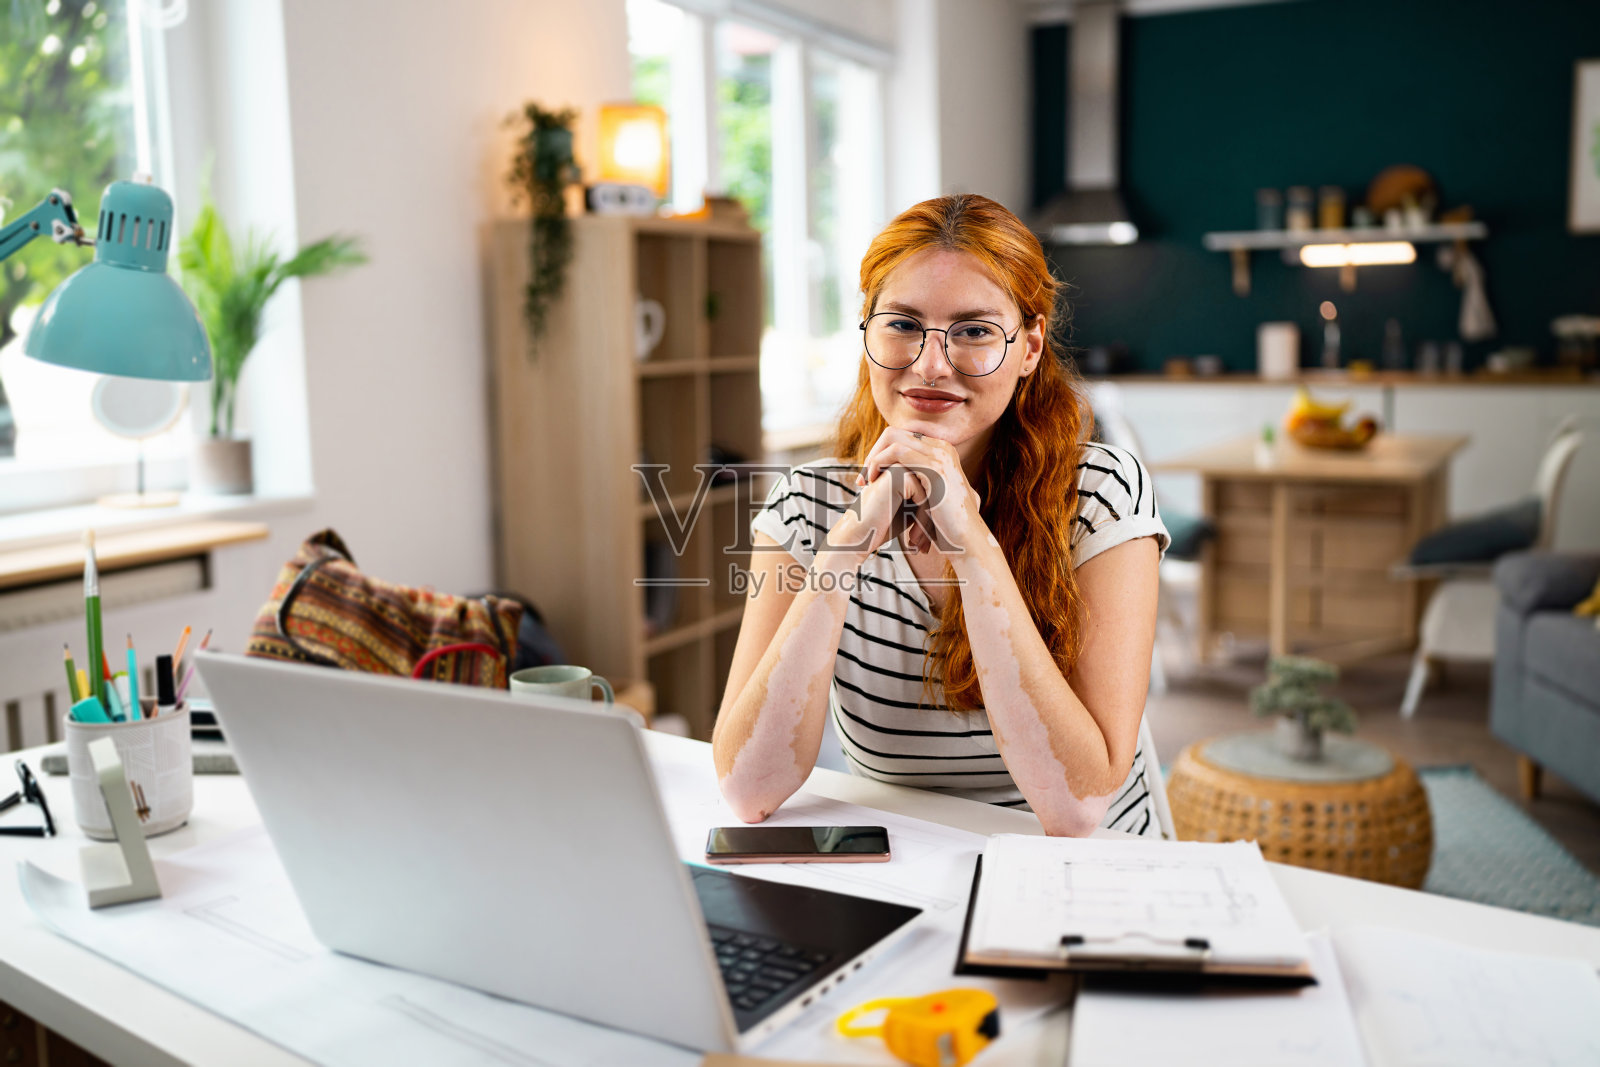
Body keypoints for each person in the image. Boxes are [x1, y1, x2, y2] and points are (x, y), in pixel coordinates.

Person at [712, 194, 1169, 837]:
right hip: (913, 875)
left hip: (1090, 880)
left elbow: (1077, 808)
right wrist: (846, 544)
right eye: (901, 324)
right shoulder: (806, 504)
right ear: (867, 333)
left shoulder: (1100, 492)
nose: (931, 365)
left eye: (975, 331)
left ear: (1029, 347)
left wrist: (970, 542)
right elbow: (747, 790)